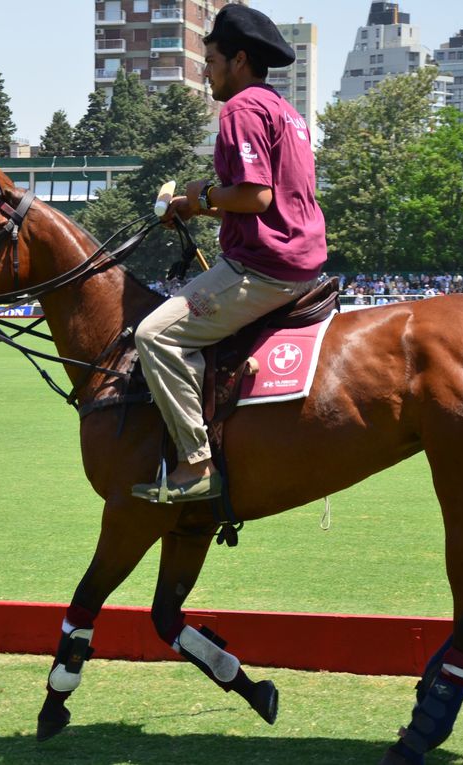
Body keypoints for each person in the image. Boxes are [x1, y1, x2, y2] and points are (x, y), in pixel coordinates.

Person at [132, 4, 327, 504]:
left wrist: (201, 196)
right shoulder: (285, 111)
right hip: (299, 259)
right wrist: (198, 208)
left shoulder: (240, 109)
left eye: (212, 60)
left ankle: (195, 463)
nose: (206, 71)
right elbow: (270, 203)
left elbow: (256, 196)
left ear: (239, 60)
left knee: (155, 335)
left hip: (263, 269)